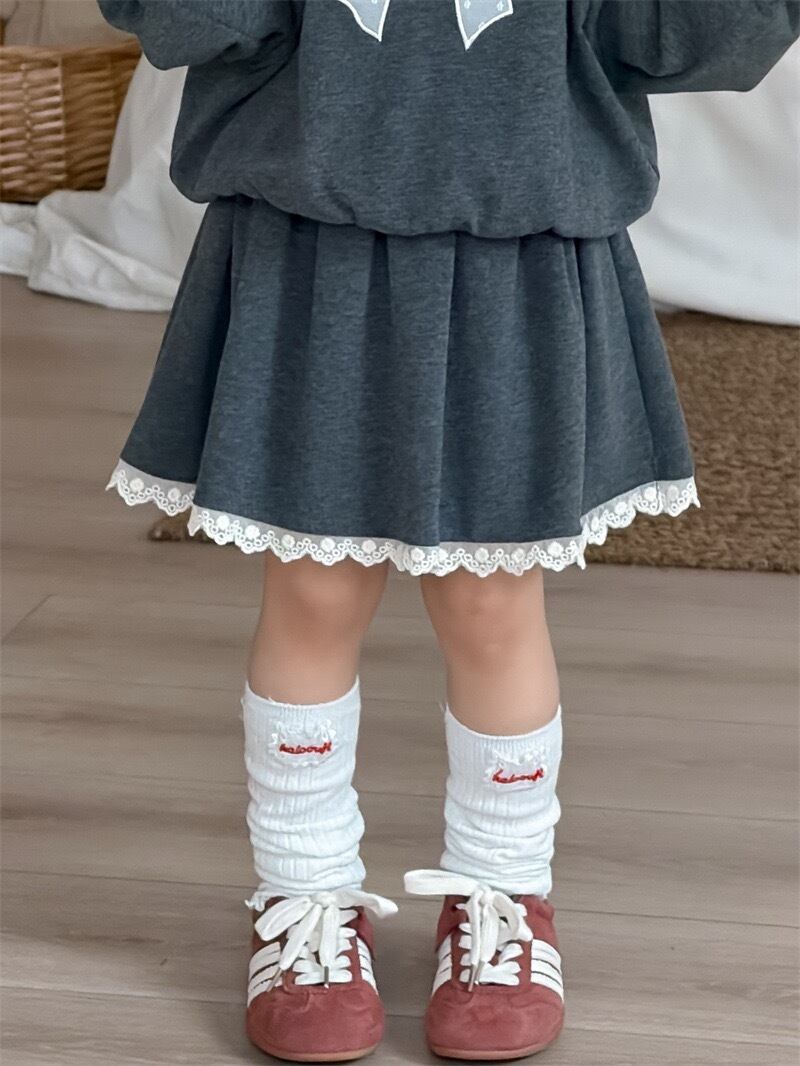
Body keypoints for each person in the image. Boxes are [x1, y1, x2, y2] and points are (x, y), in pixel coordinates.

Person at [99, 1, 799, 1060]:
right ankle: (301, 893)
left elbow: (679, 34)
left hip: (521, 250)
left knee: (490, 603)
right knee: (313, 591)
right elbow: (203, 16)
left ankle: (501, 890)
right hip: (312, 241)